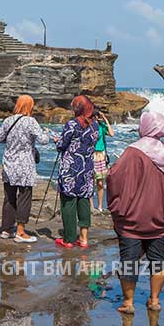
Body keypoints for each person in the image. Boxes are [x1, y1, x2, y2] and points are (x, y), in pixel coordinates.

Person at [107, 111, 164, 314]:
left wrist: (116, 209)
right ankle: (154, 300)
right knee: (158, 260)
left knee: (129, 260)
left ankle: (128, 302)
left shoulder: (133, 152)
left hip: (132, 218)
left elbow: (115, 177)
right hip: (158, 219)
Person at [0, 95, 52, 243]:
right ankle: (20, 231)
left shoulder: (8, 120)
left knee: (9, 197)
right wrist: (46, 133)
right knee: (24, 197)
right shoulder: (30, 122)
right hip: (25, 164)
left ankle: (6, 230)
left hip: (9, 163)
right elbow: (44, 141)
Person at [56, 95, 100, 249]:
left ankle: (68, 239)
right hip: (87, 168)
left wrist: (57, 141)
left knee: (68, 202)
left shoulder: (72, 125)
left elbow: (62, 144)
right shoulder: (95, 126)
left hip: (71, 169)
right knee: (84, 201)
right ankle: (84, 238)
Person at [92, 109, 115, 213]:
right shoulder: (90, 126)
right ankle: (91, 206)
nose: (97, 117)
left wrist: (105, 119)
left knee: (100, 183)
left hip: (101, 155)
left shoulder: (101, 126)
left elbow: (111, 133)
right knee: (90, 181)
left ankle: (100, 206)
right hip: (92, 154)